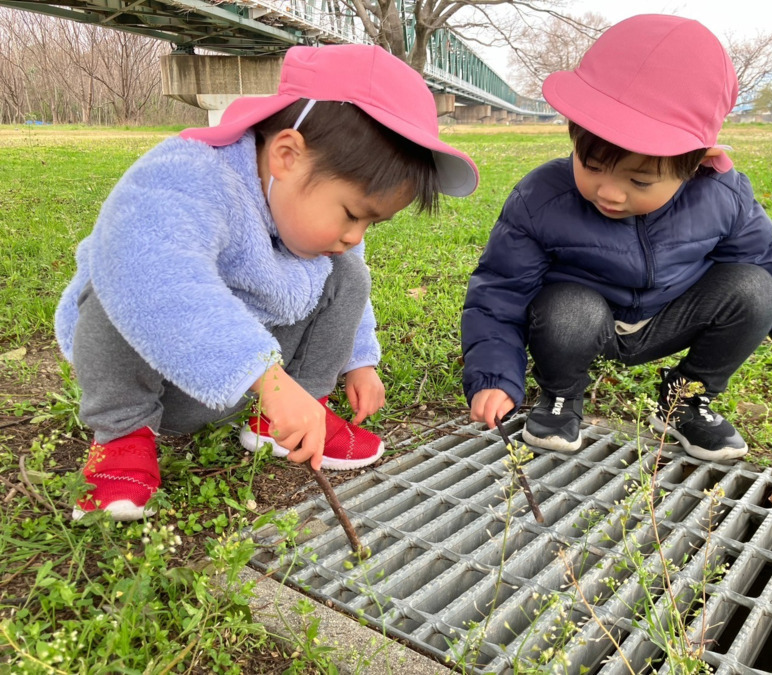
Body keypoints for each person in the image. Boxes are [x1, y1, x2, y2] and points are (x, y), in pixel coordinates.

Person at [55, 44, 478, 521]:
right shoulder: (188, 176)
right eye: (353, 215)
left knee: (348, 274)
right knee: (125, 279)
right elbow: (158, 278)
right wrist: (269, 379)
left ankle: (292, 416)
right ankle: (123, 437)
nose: (354, 236)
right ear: (287, 156)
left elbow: (347, 286)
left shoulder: (320, 222)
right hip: (158, 378)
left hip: (247, 386)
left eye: (370, 224)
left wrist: (359, 361)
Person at [461, 14, 772, 461]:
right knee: (567, 307)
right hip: (582, 321)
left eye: (641, 181)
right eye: (590, 166)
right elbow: (500, 292)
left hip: (670, 317)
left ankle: (685, 400)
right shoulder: (541, 197)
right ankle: (561, 394)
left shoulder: (722, 196)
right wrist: (493, 375)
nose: (608, 191)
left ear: (695, 165)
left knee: (755, 288)